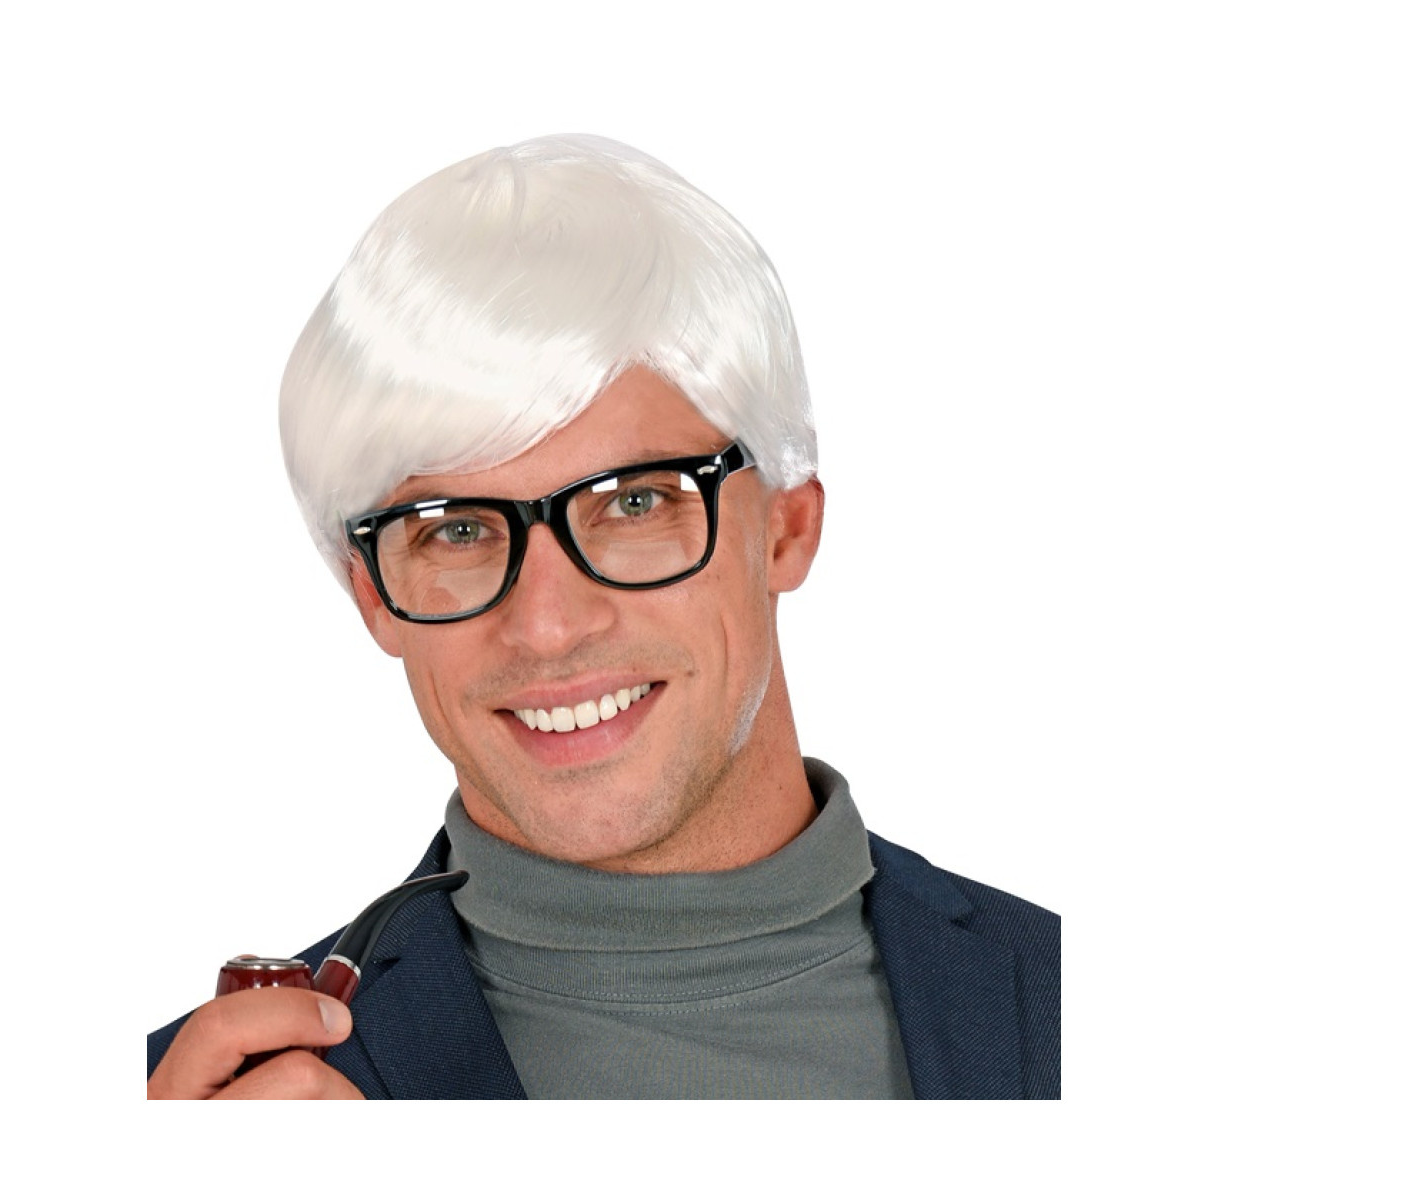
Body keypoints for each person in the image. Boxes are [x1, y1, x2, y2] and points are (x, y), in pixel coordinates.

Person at [145, 134, 1060, 1100]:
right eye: (456, 530)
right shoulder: (204, 1108)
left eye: (633, 503)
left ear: (786, 529)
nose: (547, 626)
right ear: (372, 594)